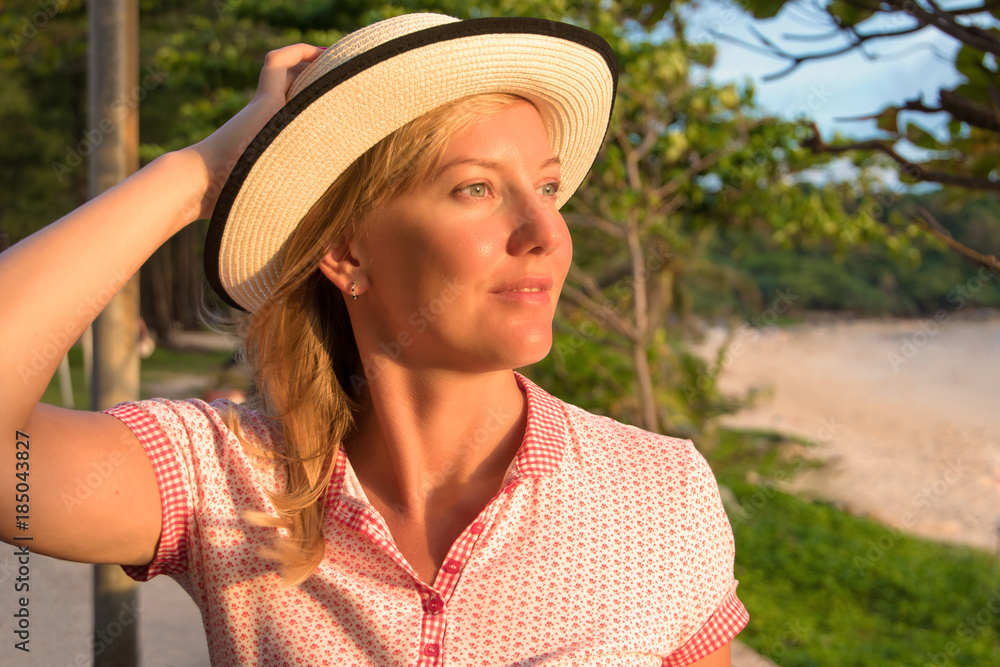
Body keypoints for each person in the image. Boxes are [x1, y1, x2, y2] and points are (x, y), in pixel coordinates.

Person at [0, 12, 748, 666]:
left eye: (547, 188)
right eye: (476, 189)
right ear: (346, 252)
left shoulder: (663, 496)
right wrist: (202, 173)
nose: (547, 232)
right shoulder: (227, 479)